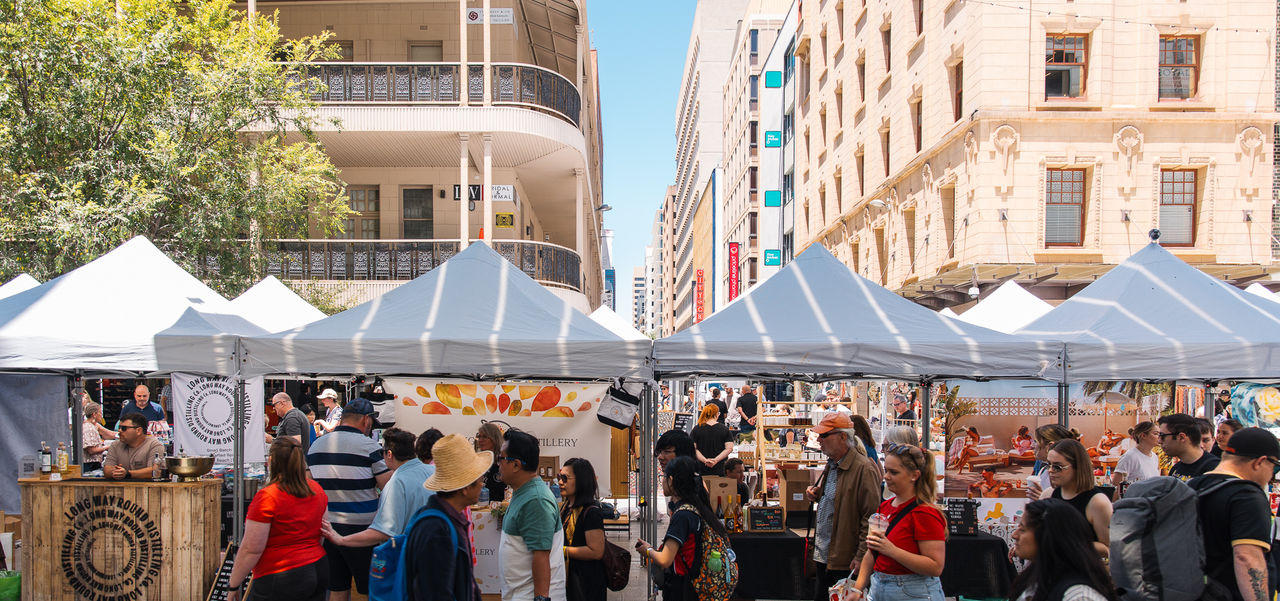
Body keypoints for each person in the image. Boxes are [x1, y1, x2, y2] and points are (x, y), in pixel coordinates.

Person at [305, 398, 390, 601]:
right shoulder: (370, 447)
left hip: (326, 528)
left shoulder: (316, 447)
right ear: (365, 420)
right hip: (362, 531)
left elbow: (309, 487)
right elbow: (387, 486)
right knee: (371, 589)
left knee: (337, 587)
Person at [226, 438, 329, 601]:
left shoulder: (268, 496)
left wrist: (233, 584)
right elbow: (323, 532)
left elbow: (251, 548)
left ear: (271, 460)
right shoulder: (317, 489)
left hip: (281, 574)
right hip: (317, 566)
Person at [1187, 427, 1278, 601]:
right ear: (1260, 462)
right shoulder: (1246, 496)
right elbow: (1247, 556)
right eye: (1274, 467)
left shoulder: (1194, 485)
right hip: (1225, 593)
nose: (1271, 476)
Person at [848, 443, 946, 601]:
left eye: (893, 472)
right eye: (886, 470)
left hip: (913, 591)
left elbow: (935, 566)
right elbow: (872, 552)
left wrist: (892, 550)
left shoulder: (925, 513)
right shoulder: (885, 507)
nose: (886, 476)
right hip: (880, 586)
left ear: (914, 475)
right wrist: (857, 589)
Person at [806, 413, 883, 601]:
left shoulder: (863, 468)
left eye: (824, 436)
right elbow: (839, 500)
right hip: (826, 555)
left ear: (842, 437)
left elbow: (871, 517)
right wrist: (817, 495)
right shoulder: (832, 464)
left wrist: (861, 556)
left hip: (845, 560)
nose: (819, 440)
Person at [403, 433, 487, 601]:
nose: (482, 483)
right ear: (464, 487)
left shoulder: (446, 521)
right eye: (479, 478)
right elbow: (435, 593)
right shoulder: (437, 530)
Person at [634, 455, 729, 601]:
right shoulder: (697, 508)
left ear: (671, 481)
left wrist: (647, 550)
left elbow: (665, 559)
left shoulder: (682, 515)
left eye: (663, 477)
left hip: (682, 587)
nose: (663, 481)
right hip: (694, 584)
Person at [321, 428, 434, 548]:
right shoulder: (433, 471)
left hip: (411, 553)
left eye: (382, 453)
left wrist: (341, 540)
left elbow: (383, 532)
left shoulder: (397, 482)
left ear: (389, 454)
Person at [498, 429, 566, 601]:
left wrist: (541, 598)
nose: (498, 464)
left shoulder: (536, 500)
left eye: (501, 458)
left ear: (516, 465)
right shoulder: (523, 492)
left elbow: (541, 555)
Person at [1008, 499, 1119, 601]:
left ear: (1048, 536)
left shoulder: (1079, 596)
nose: (1014, 535)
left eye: (1022, 529)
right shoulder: (1037, 579)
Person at [1039, 439, 1112, 558]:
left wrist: (1068, 544)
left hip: (1082, 572)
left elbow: (1108, 548)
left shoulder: (1097, 502)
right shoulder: (1048, 495)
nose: (1050, 470)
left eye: (1058, 467)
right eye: (1049, 465)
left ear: (1078, 467)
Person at [558, 458, 606, 601]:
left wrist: (561, 550)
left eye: (565, 478)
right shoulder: (566, 508)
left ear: (581, 481)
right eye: (559, 477)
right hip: (570, 577)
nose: (560, 482)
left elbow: (596, 551)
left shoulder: (591, 512)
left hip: (586, 583)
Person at [103, 412, 166, 480]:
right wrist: (115, 472)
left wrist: (127, 474)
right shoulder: (115, 445)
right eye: (119, 427)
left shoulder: (154, 445)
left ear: (138, 430)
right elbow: (107, 470)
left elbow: (155, 471)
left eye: (124, 428)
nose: (119, 430)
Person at [1159, 413, 1220, 482]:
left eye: (1163, 436)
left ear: (1181, 437)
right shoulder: (1176, 469)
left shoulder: (1214, 469)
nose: (1159, 441)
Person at [1028, 424, 1077, 498]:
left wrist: (1044, 501)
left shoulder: (1065, 477)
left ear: (1050, 446)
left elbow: (1071, 506)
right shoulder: (1044, 470)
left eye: (1036, 441)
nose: (1032, 445)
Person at [1111, 421, 1160, 486]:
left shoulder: (1154, 457)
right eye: (1156, 434)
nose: (1159, 437)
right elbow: (1117, 484)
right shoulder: (1129, 457)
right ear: (1143, 435)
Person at [690, 405, 734, 476]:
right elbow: (729, 448)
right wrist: (715, 460)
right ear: (716, 414)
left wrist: (705, 460)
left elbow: (693, 449)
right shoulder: (725, 429)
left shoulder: (696, 429)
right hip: (720, 468)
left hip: (701, 469)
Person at [476, 421, 508, 502]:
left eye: (485, 437)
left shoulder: (503, 460)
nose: (481, 440)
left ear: (494, 439)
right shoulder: (477, 461)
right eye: (479, 437)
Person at [81, 402, 109, 473]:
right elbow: (91, 450)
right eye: (100, 413)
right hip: (89, 465)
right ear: (94, 414)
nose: (101, 415)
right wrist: (106, 447)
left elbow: (108, 434)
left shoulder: (93, 426)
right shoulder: (88, 427)